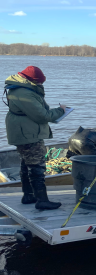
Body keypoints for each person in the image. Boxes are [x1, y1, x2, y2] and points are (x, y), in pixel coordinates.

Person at [4, 66, 66, 210]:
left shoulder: (19, 88)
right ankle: (42, 200)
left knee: (26, 164)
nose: (41, 85)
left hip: (24, 131)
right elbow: (42, 116)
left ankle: (28, 195)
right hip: (28, 134)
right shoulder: (24, 93)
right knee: (37, 166)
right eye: (40, 83)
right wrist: (61, 111)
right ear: (33, 81)